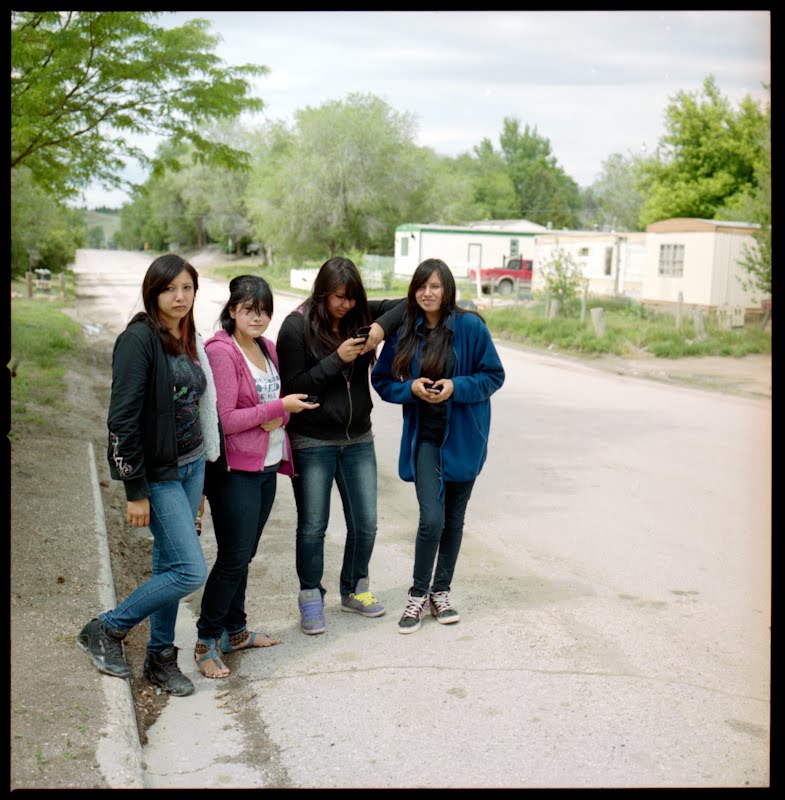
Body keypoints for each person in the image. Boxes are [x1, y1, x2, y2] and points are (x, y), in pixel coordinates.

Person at [77, 254, 221, 696]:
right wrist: (134, 490)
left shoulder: (187, 334)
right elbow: (121, 421)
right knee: (189, 571)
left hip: (192, 464)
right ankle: (106, 628)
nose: (179, 297)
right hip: (158, 474)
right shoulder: (137, 340)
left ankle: (160, 658)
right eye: (169, 289)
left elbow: (198, 405)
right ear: (153, 292)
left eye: (187, 288)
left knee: (168, 564)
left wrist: (202, 473)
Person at [371, 258, 505, 634]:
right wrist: (409, 389)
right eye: (421, 286)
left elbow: (493, 375)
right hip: (425, 438)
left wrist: (456, 387)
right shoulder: (405, 331)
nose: (427, 293)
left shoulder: (470, 326)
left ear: (447, 290)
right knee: (431, 519)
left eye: (435, 286)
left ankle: (440, 592)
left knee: (454, 521)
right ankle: (416, 595)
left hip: (464, 438)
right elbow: (381, 381)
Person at [194, 275, 317, 678]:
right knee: (232, 557)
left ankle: (236, 630)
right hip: (234, 473)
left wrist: (276, 413)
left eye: (264, 310)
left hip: (266, 467)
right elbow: (225, 420)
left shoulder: (267, 348)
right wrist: (273, 412)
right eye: (248, 309)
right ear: (232, 310)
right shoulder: (222, 351)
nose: (258, 317)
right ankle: (206, 640)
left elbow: (281, 411)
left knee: (244, 555)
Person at [276, 256, 405, 635]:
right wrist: (338, 359)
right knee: (313, 526)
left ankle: (355, 589)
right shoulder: (295, 326)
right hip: (312, 440)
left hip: (358, 438)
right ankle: (310, 596)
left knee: (366, 523)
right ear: (322, 292)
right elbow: (294, 386)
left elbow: (406, 304)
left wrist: (379, 328)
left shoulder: (358, 316)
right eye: (338, 297)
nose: (346, 305)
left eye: (352, 297)